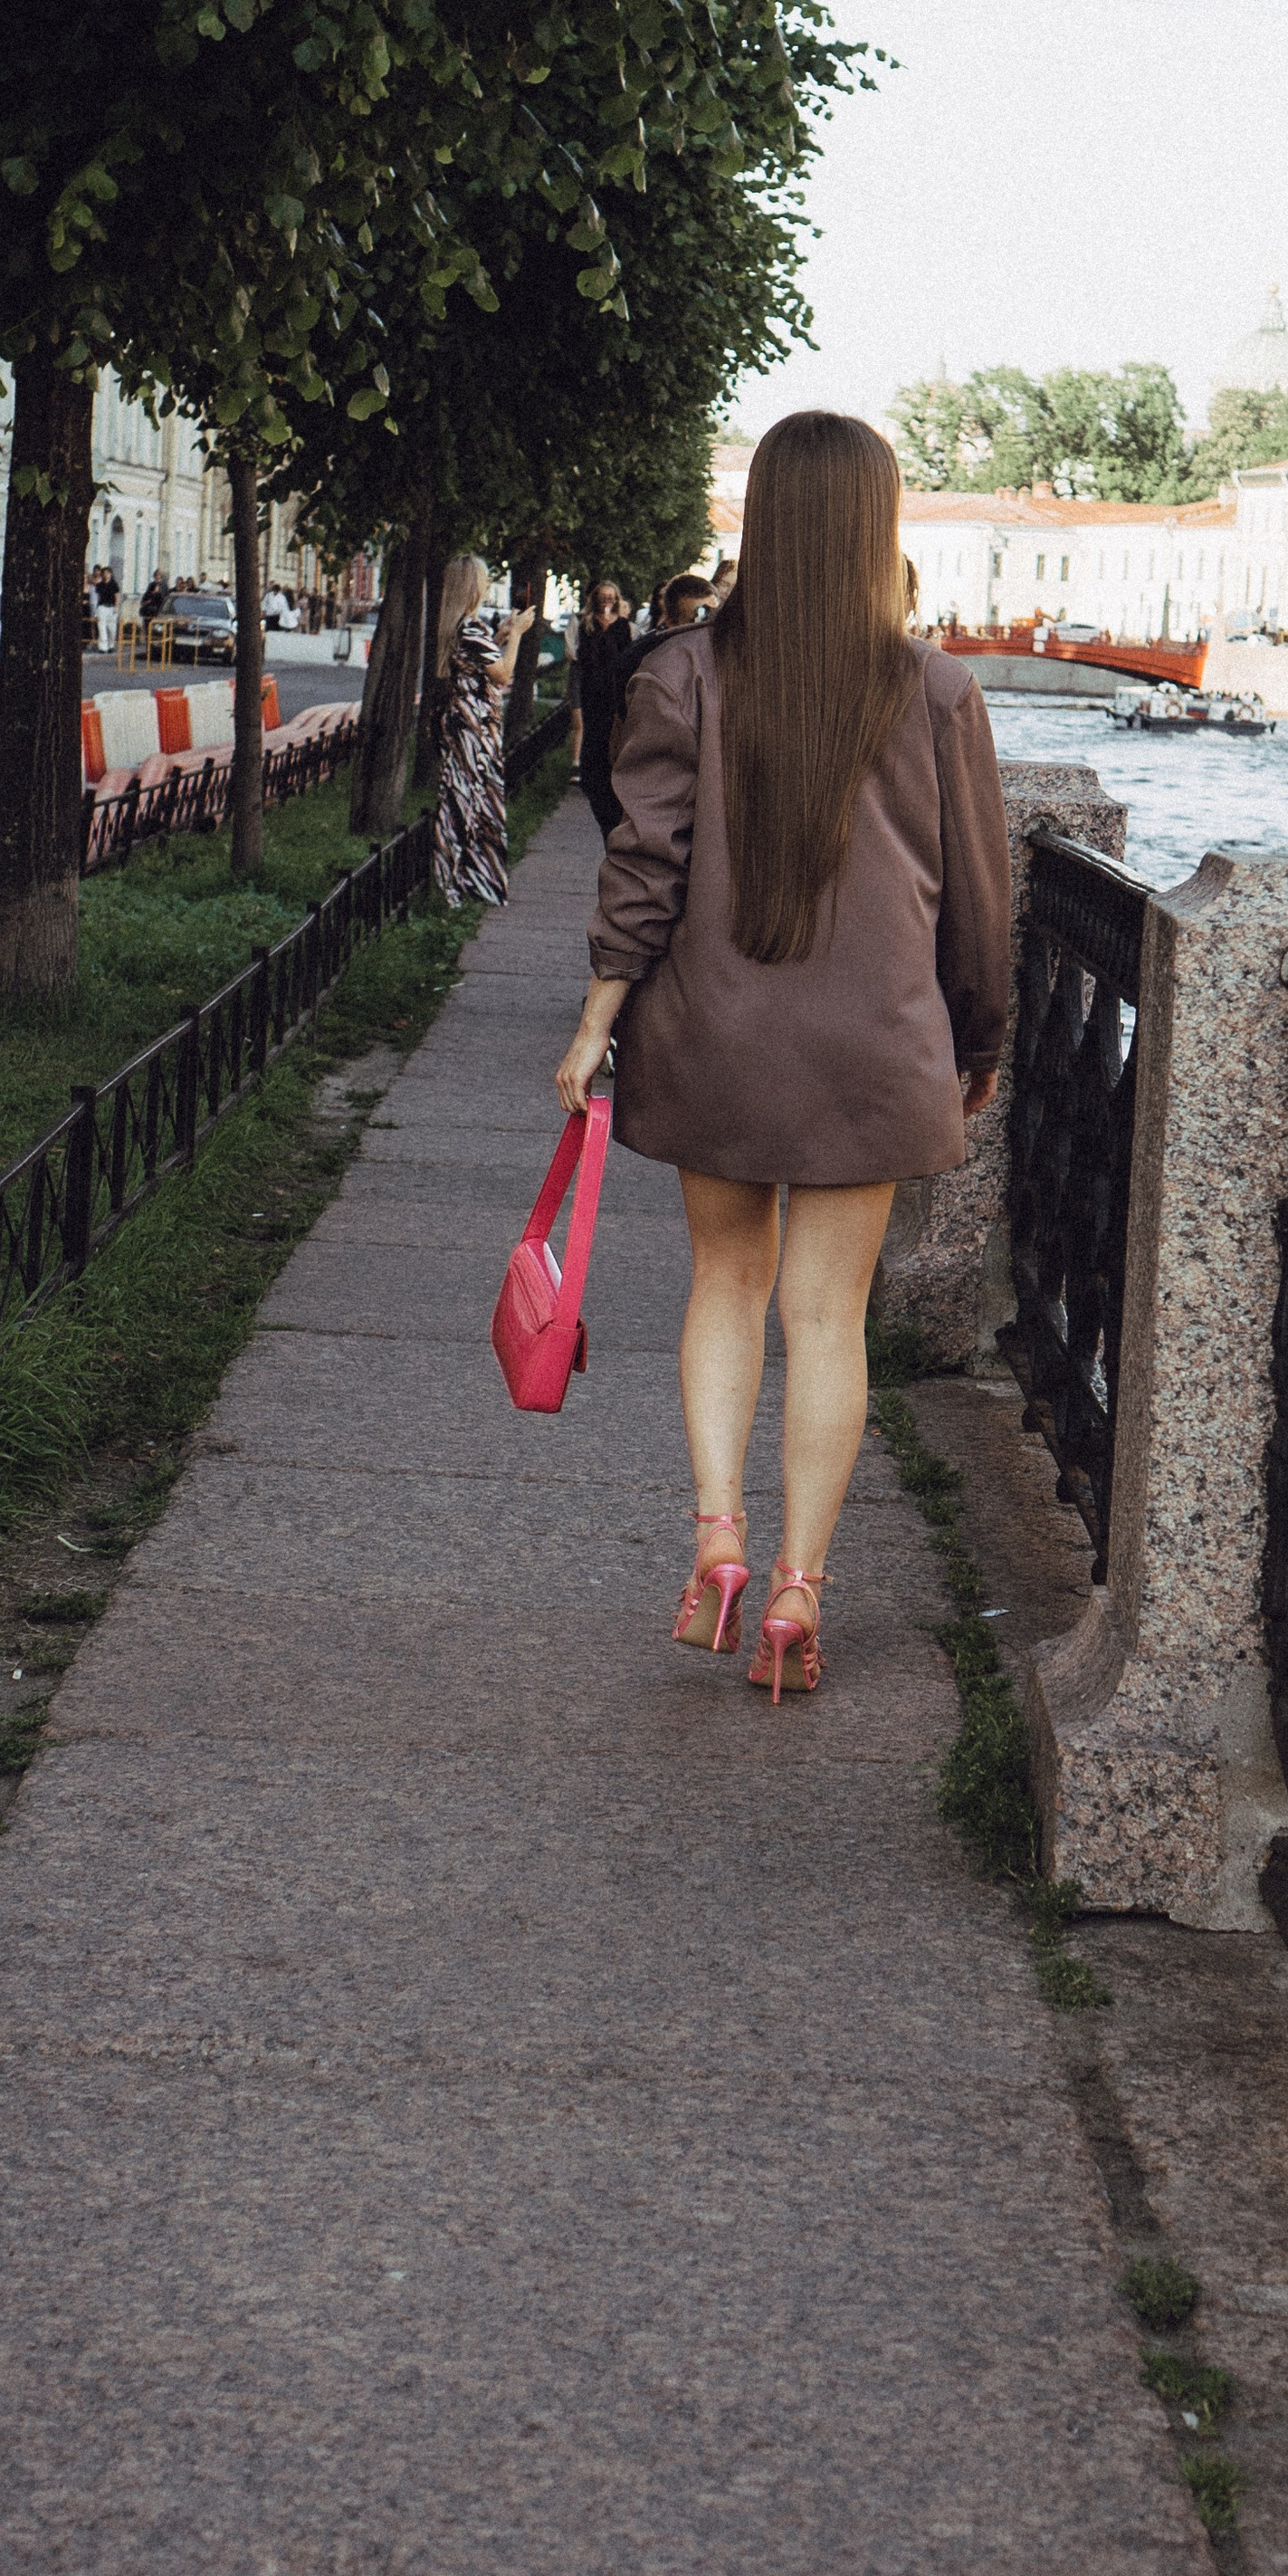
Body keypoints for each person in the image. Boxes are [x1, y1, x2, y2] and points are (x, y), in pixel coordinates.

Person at [552, 412, 1010, 1703]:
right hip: (872, 1050)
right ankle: (802, 1591)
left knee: (724, 1286)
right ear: (879, 527)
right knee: (826, 1318)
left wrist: (599, 1017)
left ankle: (717, 1536)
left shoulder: (683, 672)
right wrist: (977, 1040)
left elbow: (642, 864)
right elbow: (980, 903)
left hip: (716, 1038)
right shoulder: (936, 691)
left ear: (761, 517)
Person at [433, 557, 533, 907]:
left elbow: (478, 663)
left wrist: (501, 635)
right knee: (469, 800)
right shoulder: (470, 628)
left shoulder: (461, 626)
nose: (487, 586)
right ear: (473, 586)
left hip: (464, 721)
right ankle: (462, 883)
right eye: (484, 580)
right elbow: (503, 674)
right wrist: (517, 636)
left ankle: (463, 880)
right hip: (474, 726)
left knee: (464, 798)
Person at [571, 579, 635, 838]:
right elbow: (577, 655)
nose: (607, 600)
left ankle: (610, 773)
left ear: (616, 599)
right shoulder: (586, 624)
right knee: (591, 729)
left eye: (611, 596)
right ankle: (590, 773)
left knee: (611, 728)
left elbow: (628, 655)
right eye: (603, 596)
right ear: (596, 599)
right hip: (591, 687)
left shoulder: (623, 627)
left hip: (613, 688)